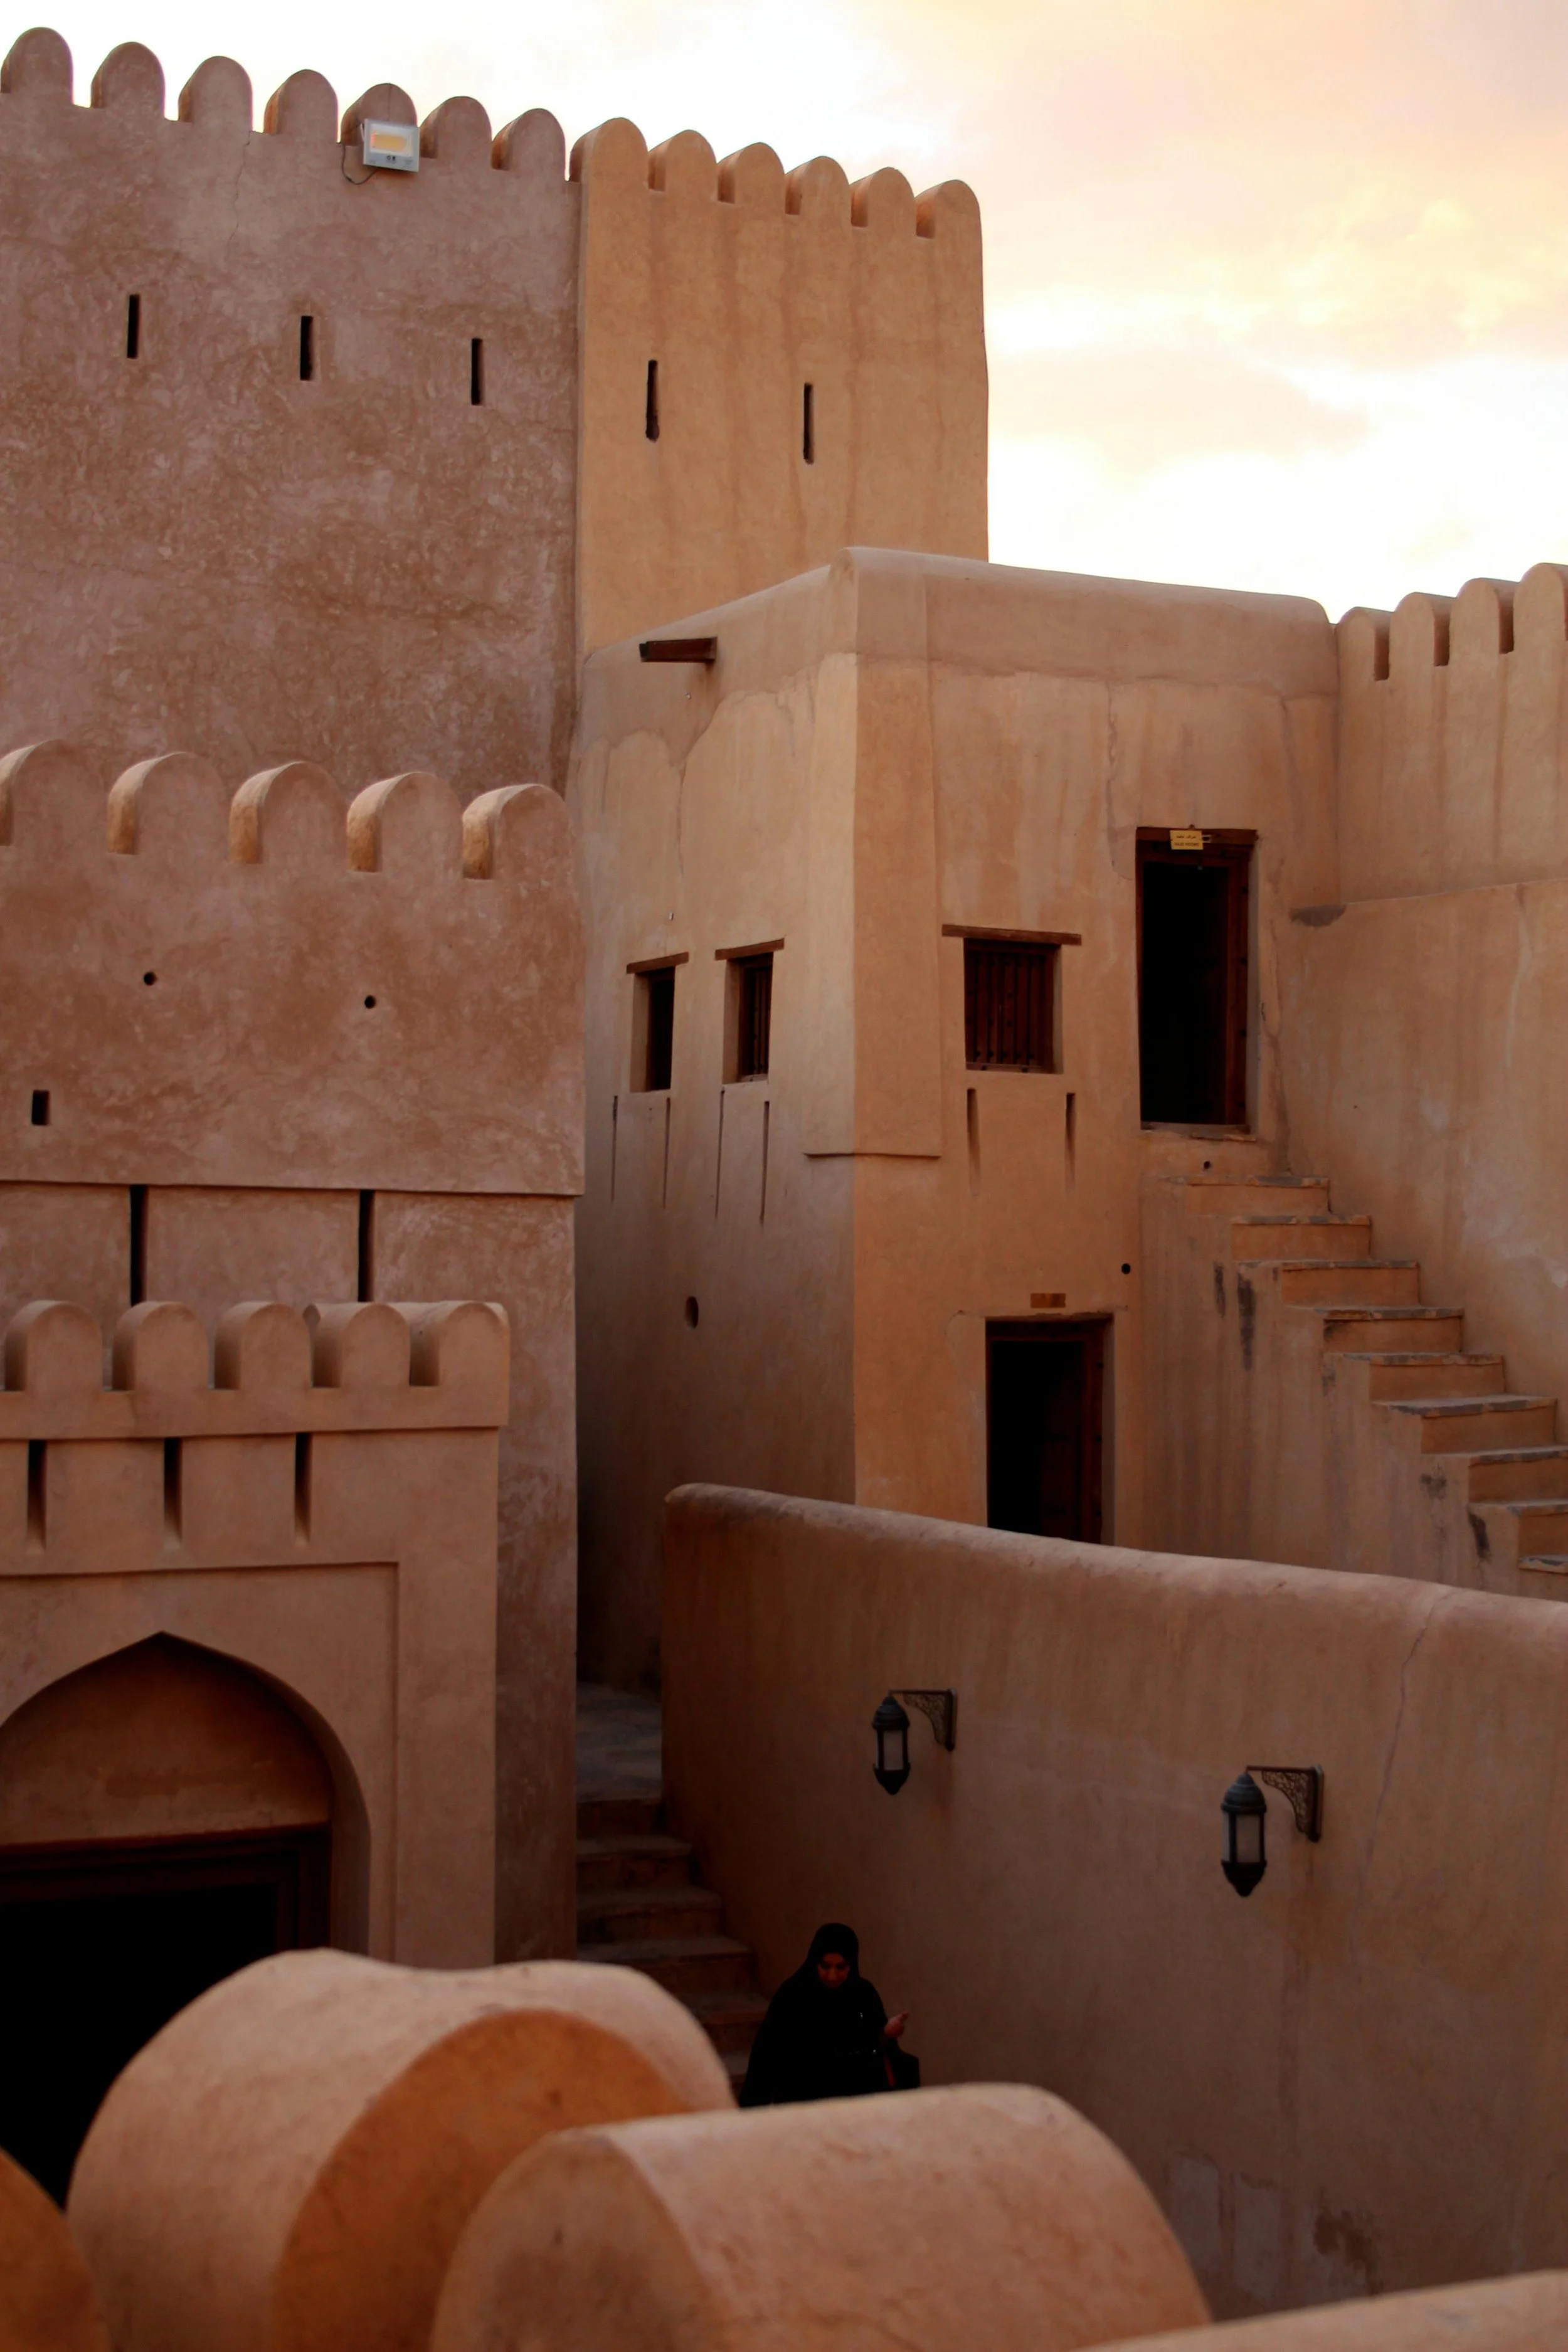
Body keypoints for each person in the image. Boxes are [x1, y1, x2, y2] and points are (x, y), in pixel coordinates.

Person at [739, 1922, 913, 2107]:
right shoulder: (792, 1995)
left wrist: (886, 2033)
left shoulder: (863, 1994)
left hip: (853, 2104)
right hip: (803, 2104)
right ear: (815, 1962)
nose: (832, 1976)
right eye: (825, 1966)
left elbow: (873, 2046)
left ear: (851, 1965)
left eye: (841, 1967)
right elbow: (765, 2056)